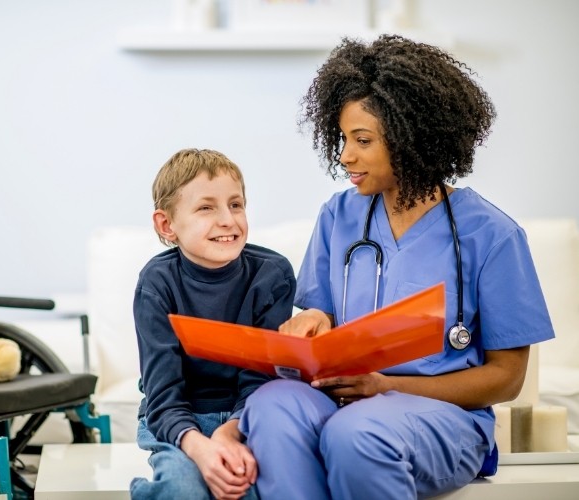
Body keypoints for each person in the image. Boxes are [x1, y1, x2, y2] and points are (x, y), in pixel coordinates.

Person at [238, 35, 555, 499]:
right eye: (343, 138)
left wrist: (386, 386)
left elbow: (506, 378)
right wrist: (313, 322)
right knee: (270, 408)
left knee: (357, 435)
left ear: (410, 138)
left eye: (362, 140)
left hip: (440, 416)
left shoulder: (492, 235)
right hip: (341, 399)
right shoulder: (338, 216)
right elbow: (319, 316)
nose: (345, 156)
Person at [131, 148, 297, 500]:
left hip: (248, 418)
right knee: (181, 489)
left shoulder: (273, 275)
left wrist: (230, 434)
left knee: (248, 490)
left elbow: (262, 381)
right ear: (167, 225)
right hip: (177, 422)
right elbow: (163, 395)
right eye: (206, 207)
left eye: (235, 205)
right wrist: (201, 448)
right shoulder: (156, 283)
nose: (228, 220)